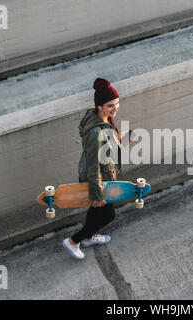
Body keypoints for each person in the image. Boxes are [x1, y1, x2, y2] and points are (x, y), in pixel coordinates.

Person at [62, 77, 127, 259]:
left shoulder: (100, 118)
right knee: (108, 215)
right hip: (97, 179)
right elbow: (93, 166)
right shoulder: (96, 132)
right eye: (110, 106)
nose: (115, 109)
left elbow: (104, 148)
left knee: (96, 210)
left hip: (99, 176)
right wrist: (97, 193)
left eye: (117, 103)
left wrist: (117, 141)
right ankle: (73, 241)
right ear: (99, 106)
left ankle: (89, 237)